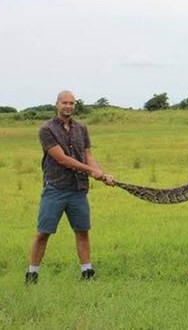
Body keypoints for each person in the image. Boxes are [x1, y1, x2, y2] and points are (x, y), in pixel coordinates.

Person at [25, 90, 115, 284]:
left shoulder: (81, 128)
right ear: (57, 104)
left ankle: (87, 272)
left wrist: (102, 174)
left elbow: (88, 155)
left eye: (71, 103)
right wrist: (92, 172)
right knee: (43, 232)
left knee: (82, 230)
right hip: (56, 188)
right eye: (64, 102)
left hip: (78, 189)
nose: (68, 106)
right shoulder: (46, 129)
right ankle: (32, 274)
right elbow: (62, 159)